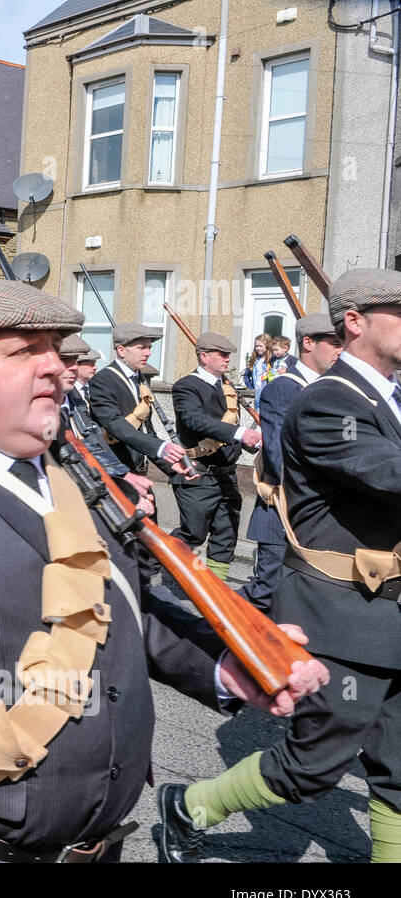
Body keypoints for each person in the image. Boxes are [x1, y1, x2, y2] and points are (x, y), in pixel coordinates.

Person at [0, 278, 327, 863]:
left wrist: (224, 663)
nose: (54, 368)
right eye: (22, 351)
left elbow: (117, 603)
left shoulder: (69, 475)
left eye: (55, 350)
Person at [161, 269, 401, 863]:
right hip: (342, 612)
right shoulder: (327, 402)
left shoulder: (388, 399)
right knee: (314, 764)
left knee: (399, 764)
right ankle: (189, 807)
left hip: (392, 613)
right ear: (356, 321)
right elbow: (391, 476)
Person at [239, 313, 342, 612]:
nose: (341, 350)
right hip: (284, 513)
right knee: (267, 593)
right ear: (308, 343)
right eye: (334, 343)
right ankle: (212, 638)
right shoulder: (285, 387)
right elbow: (280, 454)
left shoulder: (330, 388)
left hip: (316, 515)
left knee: (302, 601)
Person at [169, 332, 262, 581]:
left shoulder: (227, 387)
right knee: (193, 533)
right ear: (204, 356)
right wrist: (240, 433)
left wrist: (254, 441)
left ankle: (215, 587)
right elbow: (195, 420)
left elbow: (234, 430)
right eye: (222, 355)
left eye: (228, 355)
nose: (227, 360)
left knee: (226, 534)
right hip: (198, 473)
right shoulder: (186, 386)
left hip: (227, 475)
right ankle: (169, 573)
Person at [88, 323, 189, 478]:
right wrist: (161, 447)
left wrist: (170, 465)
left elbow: (147, 431)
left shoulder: (139, 379)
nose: (148, 353)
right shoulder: (103, 380)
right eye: (141, 348)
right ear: (121, 350)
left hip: (137, 470)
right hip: (116, 472)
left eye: (149, 348)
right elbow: (116, 425)